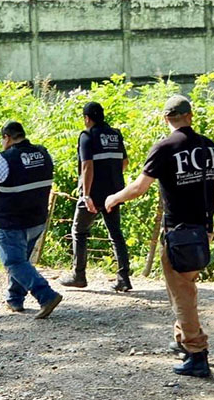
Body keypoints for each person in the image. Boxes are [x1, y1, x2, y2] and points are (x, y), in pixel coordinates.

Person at [104, 94, 214, 378]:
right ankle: (182, 339)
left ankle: (197, 353)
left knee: (182, 292)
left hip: (177, 233)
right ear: (190, 116)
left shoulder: (164, 148)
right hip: (203, 231)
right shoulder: (210, 147)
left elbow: (139, 188)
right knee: (184, 287)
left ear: (165, 119)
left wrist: (114, 197)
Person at [0, 121, 62, 319]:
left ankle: (46, 295)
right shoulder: (43, 153)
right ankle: (14, 299)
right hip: (37, 219)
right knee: (22, 261)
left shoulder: (4, 158)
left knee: (13, 262)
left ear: (7, 138)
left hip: (11, 221)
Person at [59, 102, 132, 292]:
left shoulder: (87, 136)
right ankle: (124, 278)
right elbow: (124, 162)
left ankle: (79, 275)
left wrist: (86, 195)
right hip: (114, 192)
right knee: (115, 233)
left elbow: (87, 166)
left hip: (93, 193)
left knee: (79, 231)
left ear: (86, 118)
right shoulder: (115, 134)